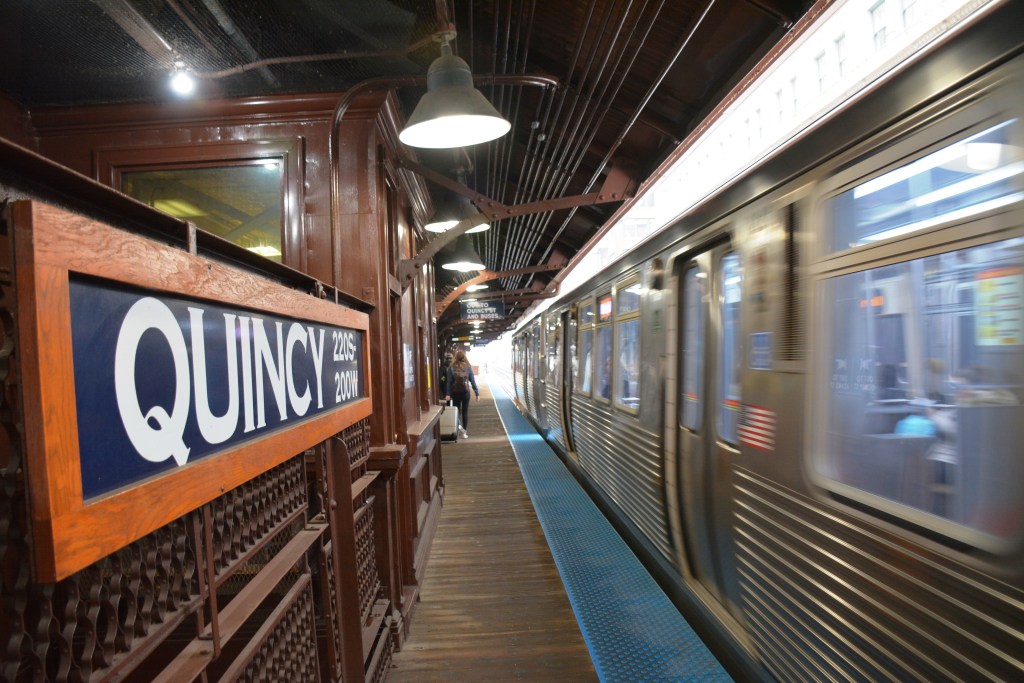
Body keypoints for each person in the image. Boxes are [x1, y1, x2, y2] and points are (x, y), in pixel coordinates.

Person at [444, 350, 480, 439]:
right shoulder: (468, 367)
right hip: (465, 393)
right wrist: (477, 393)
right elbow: (472, 381)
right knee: (465, 412)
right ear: (464, 357)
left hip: (455, 393)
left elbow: (448, 382)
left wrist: (448, 394)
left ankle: (458, 429)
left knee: (457, 412)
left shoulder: (451, 368)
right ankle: (464, 433)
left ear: (455, 358)